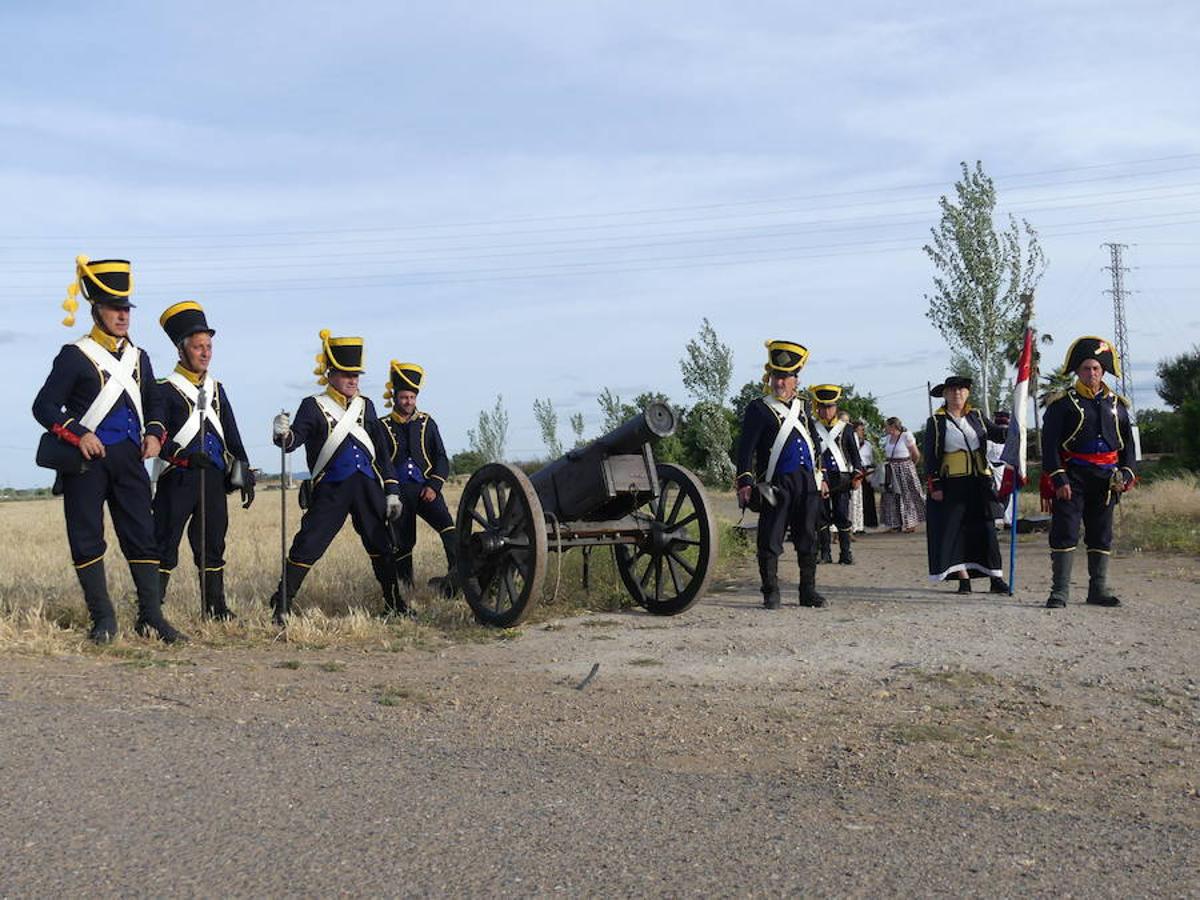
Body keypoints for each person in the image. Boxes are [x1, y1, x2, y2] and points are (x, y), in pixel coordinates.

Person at [32, 256, 185, 643]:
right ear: (95, 308)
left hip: (130, 461)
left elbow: (156, 404)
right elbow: (44, 406)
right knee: (86, 537)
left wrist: (154, 434)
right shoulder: (74, 356)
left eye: (126, 308)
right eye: (115, 308)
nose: (123, 315)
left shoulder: (139, 358)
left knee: (142, 536)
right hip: (87, 462)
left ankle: (151, 618)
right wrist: (78, 433)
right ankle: (104, 621)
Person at [269, 330, 406, 623]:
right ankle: (282, 602)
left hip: (367, 486)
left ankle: (395, 603)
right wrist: (281, 432)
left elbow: (381, 453)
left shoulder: (365, 405)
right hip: (331, 487)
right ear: (330, 374)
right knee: (309, 543)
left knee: (380, 544)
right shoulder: (312, 405)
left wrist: (392, 489)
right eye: (346, 374)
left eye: (356, 374)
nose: (353, 380)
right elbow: (293, 441)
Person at [153, 301, 255, 619]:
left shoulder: (216, 389)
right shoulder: (163, 389)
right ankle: (151, 610)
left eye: (208, 346)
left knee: (212, 543)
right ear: (181, 350)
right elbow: (157, 436)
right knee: (164, 544)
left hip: (211, 477)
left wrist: (245, 471)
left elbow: (232, 435)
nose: (205, 353)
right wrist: (180, 456)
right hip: (177, 476)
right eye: (198, 347)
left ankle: (215, 608)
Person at [1041, 336, 1136, 609]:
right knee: (1066, 531)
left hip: (1107, 479)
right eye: (1086, 368)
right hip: (1073, 476)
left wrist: (1127, 474)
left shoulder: (1117, 405)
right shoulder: (1062, 403)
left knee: (1101, 533)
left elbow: (1128, 445)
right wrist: (1058, 476)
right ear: (1077, 372)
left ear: (1103, 371)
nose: (1091, 373)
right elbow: (1049, 446)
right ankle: (1059, 591)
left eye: (1096, 368)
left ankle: (1098, 589)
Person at [735, 340, 829, 609]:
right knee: (770, 539)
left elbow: (814, 442)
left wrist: (820, 477)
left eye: (785, 377)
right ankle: (771, 592)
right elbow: (746, 449)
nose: (780, 383)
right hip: (775, 484)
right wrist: (745, 481)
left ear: (795, 380)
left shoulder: (805, 407)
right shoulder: (758, 408)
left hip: (807, 483)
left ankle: (807, 592)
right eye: (776, 376)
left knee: (808, 538)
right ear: (770, 377)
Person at [923, 376, 1009, 594]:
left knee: (987, 529)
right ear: (945, 394)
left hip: (980, 481)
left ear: (968, 393)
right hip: (952, 483)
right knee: (956, 531)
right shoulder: (936, 421)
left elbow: (997, 434)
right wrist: (935, 485)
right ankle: (963, 577)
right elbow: (930, 457)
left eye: (961, 389)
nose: (957, 394)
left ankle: (995, 577)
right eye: (952, 390)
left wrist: (1014, 428)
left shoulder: (977, 416)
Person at [381, 361, 457, 595]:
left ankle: (458, 578)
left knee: (449, 530)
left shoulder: (427, 423)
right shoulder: (383, 426)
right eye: (404, 397)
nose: (409, 402)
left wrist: (434, 484)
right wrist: (392, 492)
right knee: (402, 543)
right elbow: (383, 462)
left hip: (427, 489)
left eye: (412, 398)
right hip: (400, 494)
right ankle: (406, 589)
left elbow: (442, 458)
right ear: (395, 397)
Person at [810, 386, 863, 564]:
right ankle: (825, 553)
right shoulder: (812, 428)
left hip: (842, 478)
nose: (826, 410)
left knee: (841, 514)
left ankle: (845, 553)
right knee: (821, 515)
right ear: (818, 408)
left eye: (830, 407)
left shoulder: (846, 429)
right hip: (820, 478)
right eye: (823, 407)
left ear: (836, 408)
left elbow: (855, 456)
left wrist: (857, 475)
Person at [879, 417, 925, 533]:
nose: (885, 428)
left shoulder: (906, 436)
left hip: (904, 467)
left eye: (887, 426)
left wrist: (910, 466)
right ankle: (895, 524)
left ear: (893, 426)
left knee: (907, 495)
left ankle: (910, 523)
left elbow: (916, 454)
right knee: (891, 496)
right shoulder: (888, 438)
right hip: (891, 468)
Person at [854, 421, 879, 530]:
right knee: (858, 498)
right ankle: (857, 524)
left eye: (863, 430)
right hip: (857, 471)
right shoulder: (852, 442)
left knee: (868, 497)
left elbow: (871, 458)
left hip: (867, 470)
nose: (863, 432)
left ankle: (869, 522)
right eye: (860, 430)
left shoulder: (867, 444)